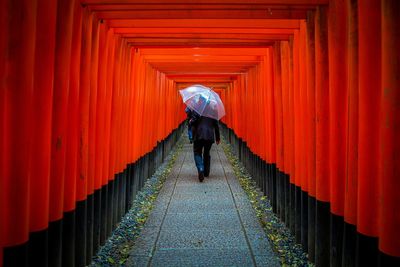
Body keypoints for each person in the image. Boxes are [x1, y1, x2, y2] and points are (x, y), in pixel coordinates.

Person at [191, 115, 220, 182]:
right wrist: (217, 137)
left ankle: (201, 168)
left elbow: (193, 121)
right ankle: (206, 172)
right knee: (207, 153)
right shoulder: (212, 110)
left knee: (197, 152)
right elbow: (216, 125)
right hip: (209, 135)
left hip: (198, 135)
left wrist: (190, 121)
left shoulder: (198, 109)